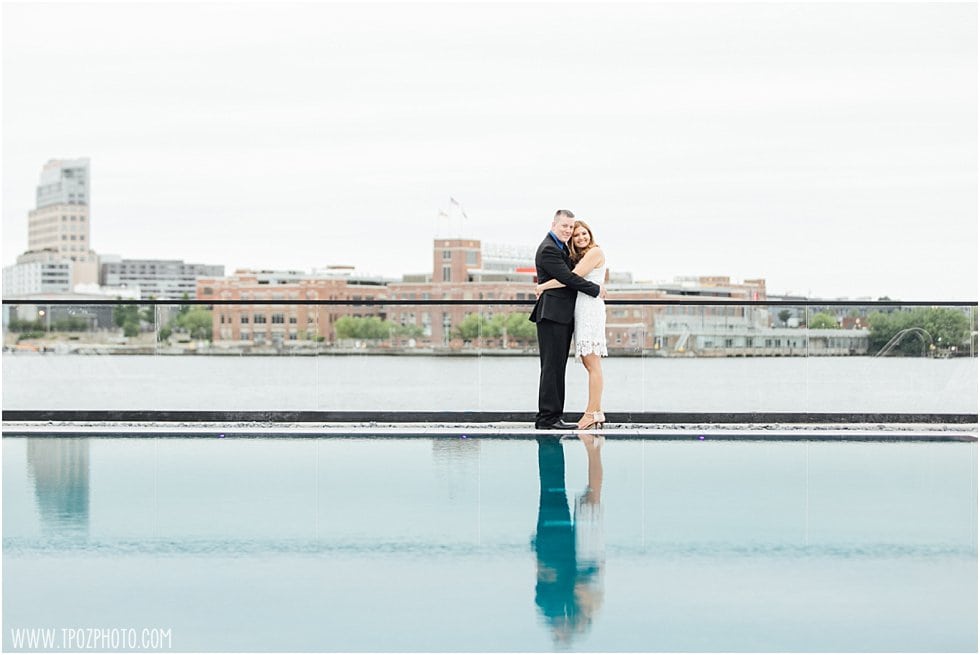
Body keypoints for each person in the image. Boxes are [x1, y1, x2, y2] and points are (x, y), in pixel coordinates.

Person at [529, 210, 604, 430]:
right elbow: (568, 278)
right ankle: (548, 419)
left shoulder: (561, 247)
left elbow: (569, 276)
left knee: (556, 367)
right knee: (552, 368)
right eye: (565, 226)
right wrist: (596, 289)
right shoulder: (549, 249)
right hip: (552, 314)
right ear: (554, 224)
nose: (569, 231)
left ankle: (554, 416)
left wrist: (543, 286)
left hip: (561, 314)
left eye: (571, 227)